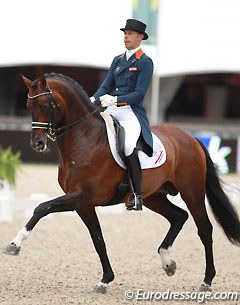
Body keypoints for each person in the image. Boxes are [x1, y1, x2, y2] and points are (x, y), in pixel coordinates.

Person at [90, 19, 153, 211]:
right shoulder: (117, 59)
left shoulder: (145, 62)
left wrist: (116, 100)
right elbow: (106, 85)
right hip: (110, 107)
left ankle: (137, 195)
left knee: (127, 146)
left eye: (131, 34)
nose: (126, 36)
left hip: (129, 111)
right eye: (125, 33)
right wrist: (93, 98)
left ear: (140, 37)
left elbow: (139, 94)